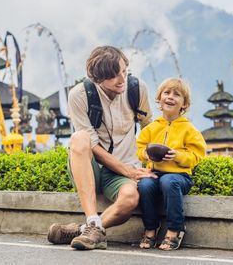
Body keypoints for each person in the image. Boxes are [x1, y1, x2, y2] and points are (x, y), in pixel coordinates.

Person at [47, 45, 154, 250]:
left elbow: (149, 126)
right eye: (113, 76)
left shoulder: (136, 88)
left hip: (124, 171)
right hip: (91, 168)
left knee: (131, 198)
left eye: (124, 71)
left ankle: (88, 229)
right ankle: (91, 218)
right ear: (97, 79)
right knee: (79, 138)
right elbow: (91, 144)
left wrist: (151, 163)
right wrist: (126, 170)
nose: (121, 79)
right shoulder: (80, 95)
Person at [136, 78, 206, 251]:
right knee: (145, 184)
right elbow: (139, 147)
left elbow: (197, 154)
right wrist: (146, 154)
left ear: (184, 103)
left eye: (177, 94)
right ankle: (151, 228)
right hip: (155, 172)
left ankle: (175, 229)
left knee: (168, 182)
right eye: (166, 93)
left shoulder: (189, 129)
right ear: (159, 98)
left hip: (180, 176)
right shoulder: (152, 127)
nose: (170, 97)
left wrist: (178, 156)